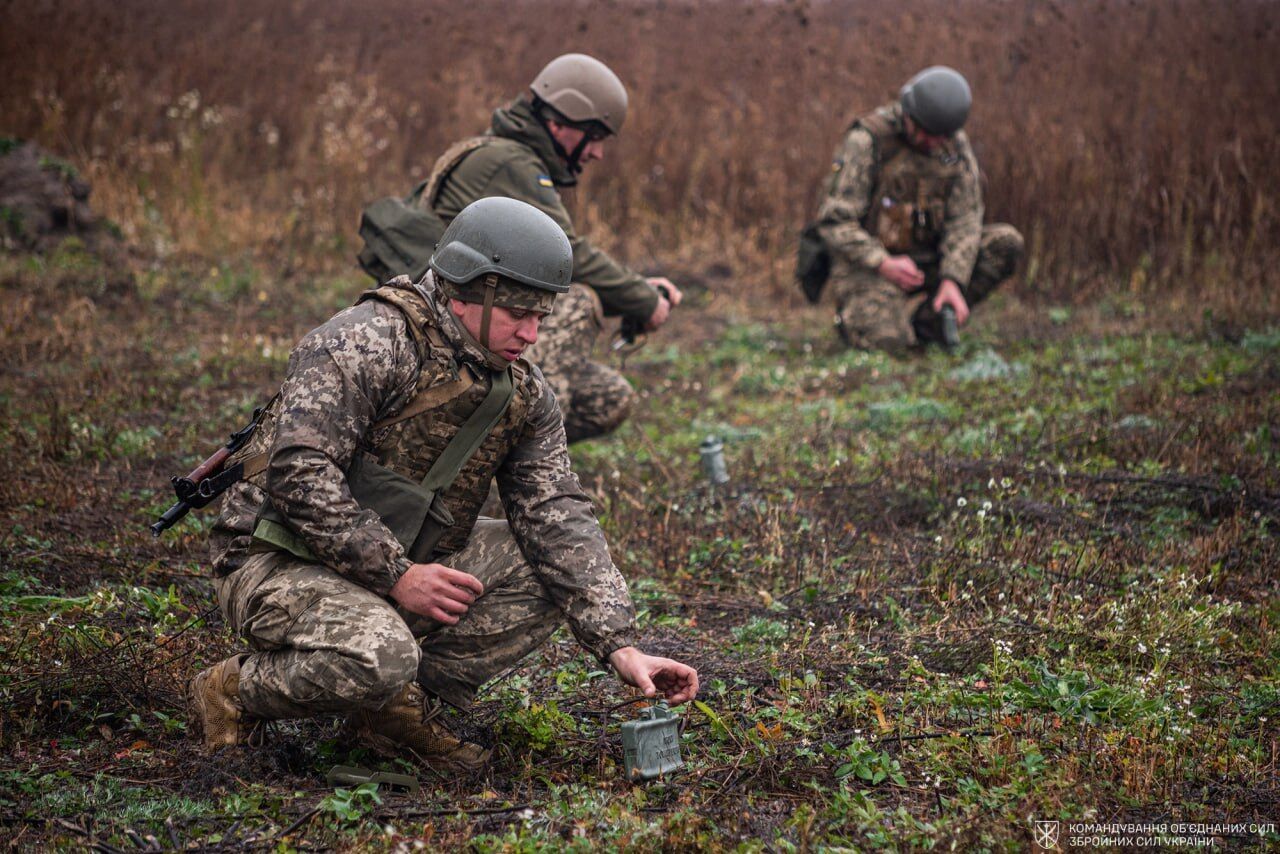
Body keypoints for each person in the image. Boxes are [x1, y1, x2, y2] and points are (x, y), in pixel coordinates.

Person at [191, 197, 698, 768]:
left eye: (541, 317)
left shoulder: (523, 391)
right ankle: (234, 690)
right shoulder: (365, 341)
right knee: (382, 655)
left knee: (542, 568)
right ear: (467, 292)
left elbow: (556, 512)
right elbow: (299, 472)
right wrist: (397, 574)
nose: (532, 334)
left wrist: (619, 645)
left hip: (395, 556)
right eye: (518, 314)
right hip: (274, 557)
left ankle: (396, 712)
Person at [419, 53, 682, 442]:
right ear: (562, 123)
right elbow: (567, 257)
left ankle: (509, 447)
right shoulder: (509, 163)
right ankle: (511, 448)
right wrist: (644, 301)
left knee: (608, 397)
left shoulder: (510, 157)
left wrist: (635, 291)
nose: (597, 153)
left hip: (467, 314)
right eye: (595, 138)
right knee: (579, 302)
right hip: (441, 331)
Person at [811, 66, 1024, 351]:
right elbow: (834, 222)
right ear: (909, 115)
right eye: (925, 133)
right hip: (872, 266)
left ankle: (932, 322)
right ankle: (862, 319)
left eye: (941, 136)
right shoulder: (868, 141)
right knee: (889, 342)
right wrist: (882, 262)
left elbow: (965, 217)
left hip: (928, 258)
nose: (933, 143)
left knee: (1006, 243)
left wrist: (952, 279)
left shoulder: (953, 146)